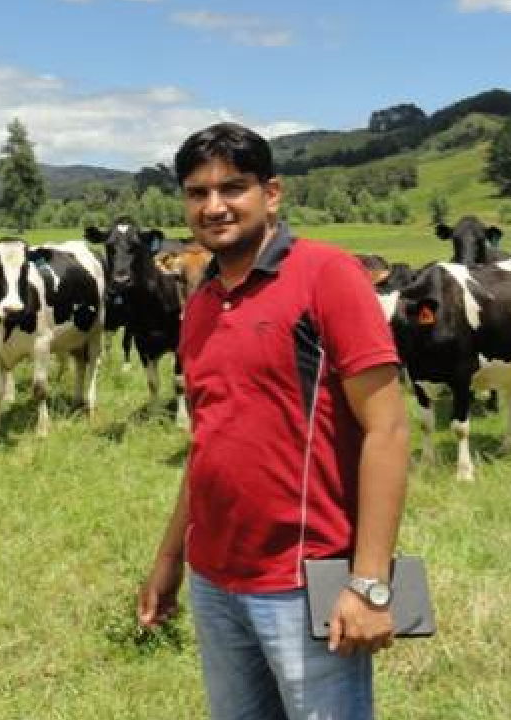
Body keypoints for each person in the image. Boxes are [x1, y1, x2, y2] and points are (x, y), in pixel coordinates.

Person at [137, 122, 410, 719]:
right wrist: (168, 560)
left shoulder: (326, 275)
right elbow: (206, 442)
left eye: (232, 188)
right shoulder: (203, 302)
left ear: (272, 194)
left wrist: (370, 584)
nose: (213, 207)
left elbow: (388, 431)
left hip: (305, 578)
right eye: (196, 192)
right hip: (214, 580)